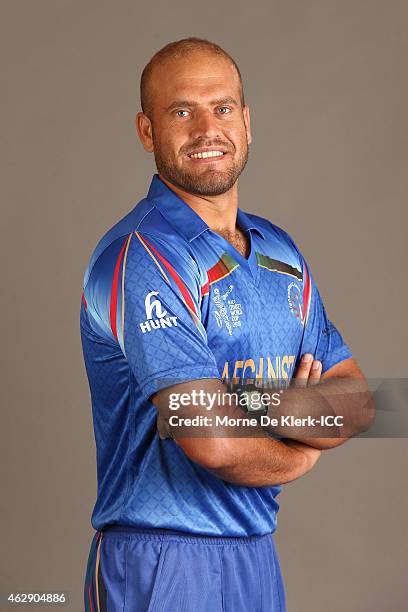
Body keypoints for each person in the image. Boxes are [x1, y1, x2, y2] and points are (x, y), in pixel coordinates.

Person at [81, 37, 371, 612]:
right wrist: (300, 448)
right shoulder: (143, 255)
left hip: (256, 552)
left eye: (223, 108)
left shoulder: (280, 253)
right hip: (159, 559)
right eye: (182, 111)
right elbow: (209, 439)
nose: (206, 130)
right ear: (147, 131)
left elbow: (360, 402)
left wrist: (239, 405)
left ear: (247, 121)